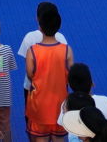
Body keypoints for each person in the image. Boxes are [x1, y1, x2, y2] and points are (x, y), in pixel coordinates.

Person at [18, 2, 68, 132]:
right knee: (57, 124)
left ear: (38, 19)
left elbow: (28, 68)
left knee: (34, 125)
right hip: (57, 89)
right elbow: (66, 67)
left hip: (33, 89)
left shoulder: (29, 37)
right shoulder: (62, 38)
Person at [25, 10, 74, 142]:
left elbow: (30, 75)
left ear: (40, 27)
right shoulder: (67, 50)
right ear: (59, 26)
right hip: (60, 104)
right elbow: (71, 76)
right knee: (59, 138)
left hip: (39, 105)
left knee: (41, 138)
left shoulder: (32, 51)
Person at [59, 64, 107, 136]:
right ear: (92, 84)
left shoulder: (66, 105)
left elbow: (63, 123)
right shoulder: (105, 101)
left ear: (69, 85)